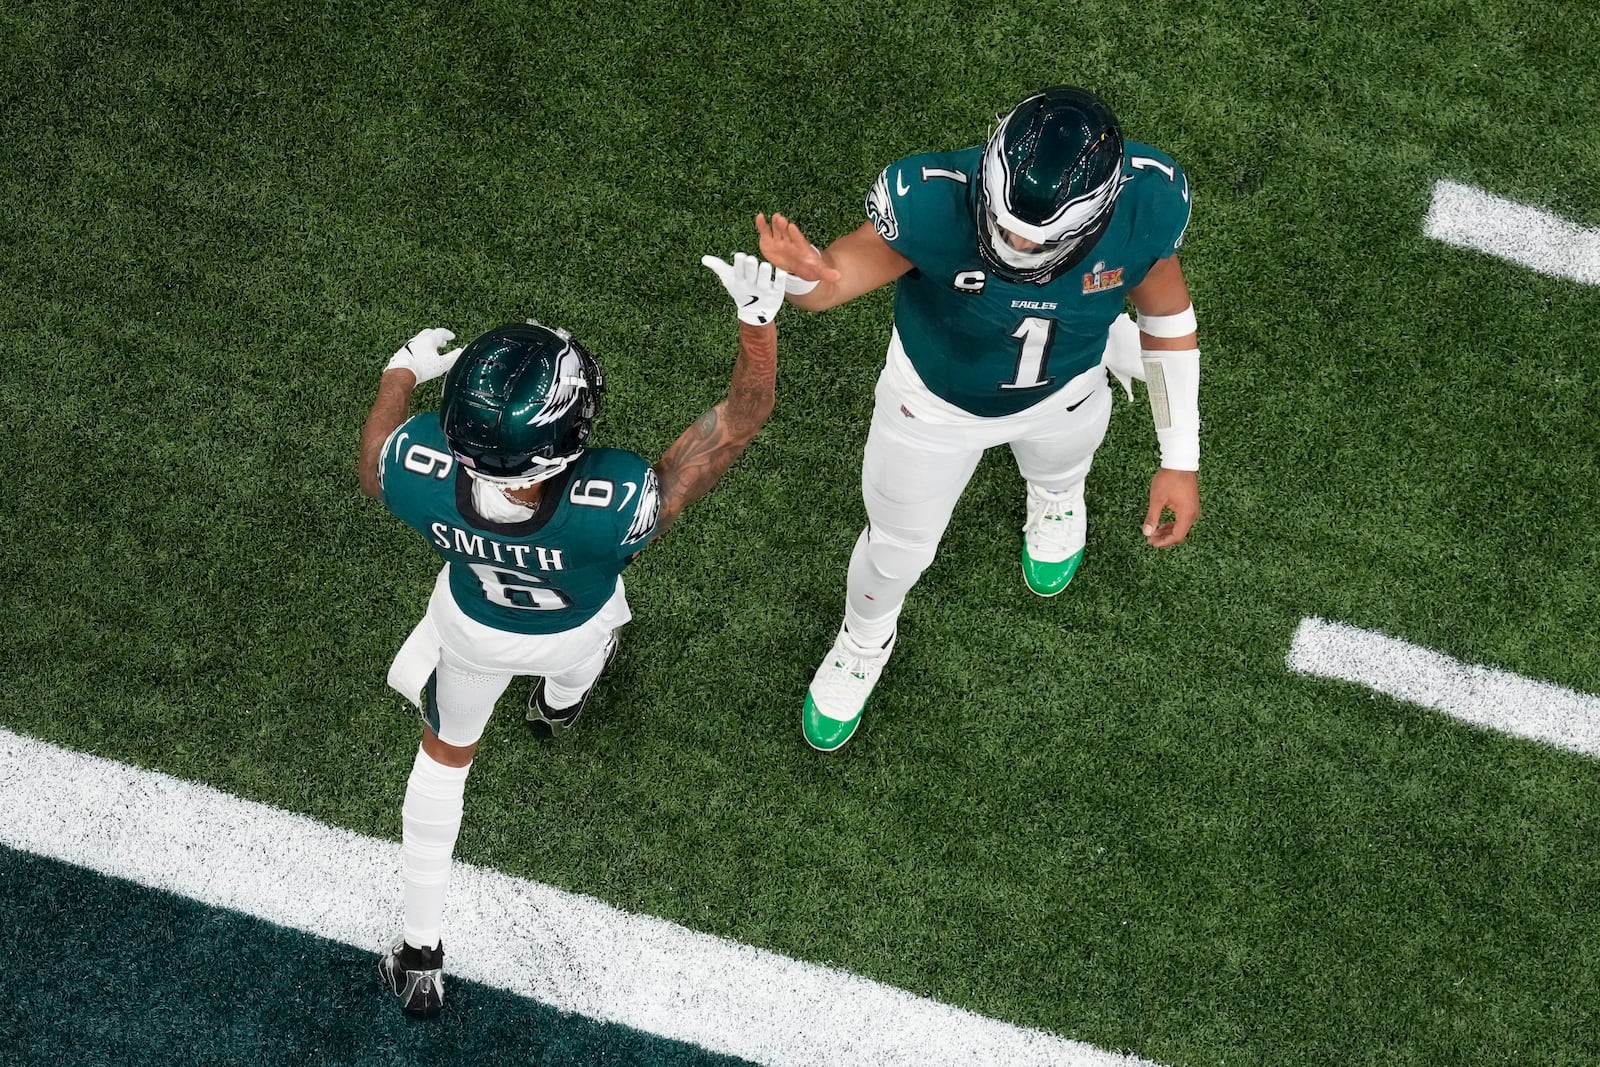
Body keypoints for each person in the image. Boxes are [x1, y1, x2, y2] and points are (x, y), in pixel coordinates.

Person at [356, 253, 789, 1018]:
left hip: (473, 629)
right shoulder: (613, 499)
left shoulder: (418, 469)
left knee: (445, 758)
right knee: (587, 651)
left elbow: (375, 463)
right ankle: (559, 705)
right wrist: (757, 327)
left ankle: (420, 953)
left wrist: (401, 370)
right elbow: (741, 418)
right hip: (572, 624)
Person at [757, 86, 1201, 753]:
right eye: (1005, 220)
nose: (1015, 241)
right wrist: (805, 275)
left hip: (1065, 390)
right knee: (895, 550)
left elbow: (1166, 322)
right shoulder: (933, 199)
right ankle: (863, 640)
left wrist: (1179, 453)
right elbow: (832, 283)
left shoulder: (1148, 203)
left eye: (1036, 235)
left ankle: (1054, 499)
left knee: (1061, 468)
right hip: (932, 407)